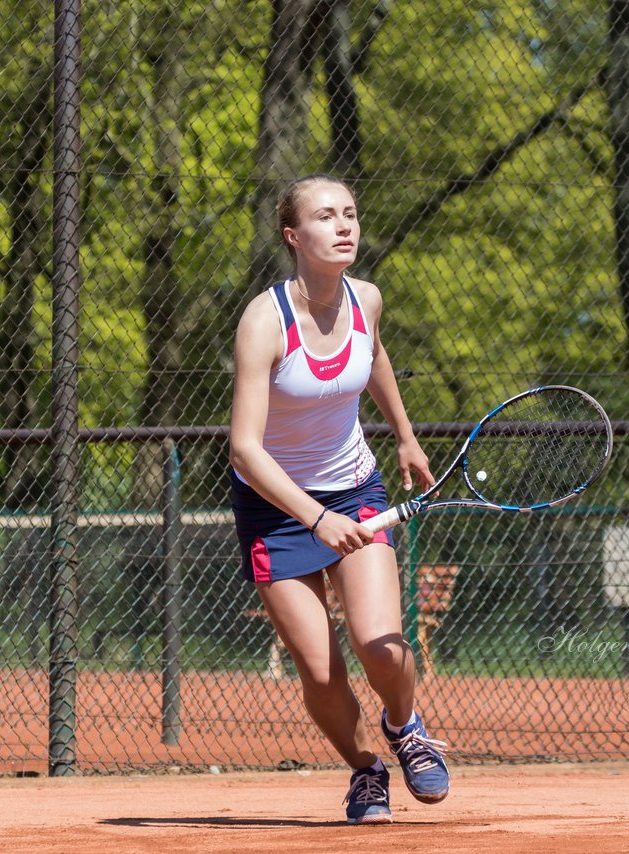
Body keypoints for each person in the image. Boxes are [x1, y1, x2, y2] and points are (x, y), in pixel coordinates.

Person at [228, 173, 450, 825]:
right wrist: (313, 518)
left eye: (350, 212)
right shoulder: (263, 322)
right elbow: (244, 449)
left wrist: (406, 438)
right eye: (326, 216)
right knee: (321, 672)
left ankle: (405, 726)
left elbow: (374, 357)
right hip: (276, 507)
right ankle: (367, 774)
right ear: (294, 236)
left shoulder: (367, 300)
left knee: (381, 644)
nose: (344, 225)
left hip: (355, 489)